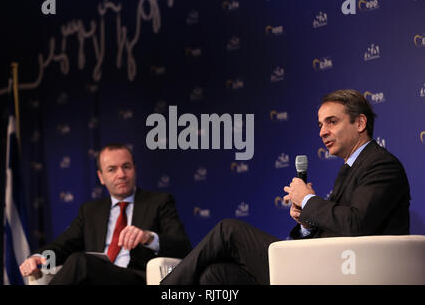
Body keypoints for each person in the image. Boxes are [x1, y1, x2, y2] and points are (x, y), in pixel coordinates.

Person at [161, 89, 411, 285]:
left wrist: (309, 202)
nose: (323, 132)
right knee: (215, 276)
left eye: (332, 122)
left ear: (360, 123)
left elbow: (357, 224)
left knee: (230, 230)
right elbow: (339, 228)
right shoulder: (349, 169)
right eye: (320, 125)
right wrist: (306, 223)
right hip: (326, 263)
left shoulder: (381, 165)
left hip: (347, 272)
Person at [19, 143, 191, 284]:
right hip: (96, 277)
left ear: (134, 169)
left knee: (80, 261)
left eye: (126, 167)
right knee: (78, 264)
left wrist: (149, 237)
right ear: (101, 177)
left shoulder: (159, 202)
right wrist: (38, 257)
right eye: (112, 169)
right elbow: (62, 246)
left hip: (135, 278)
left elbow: (182, 246)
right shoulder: (90, 211)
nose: (121, 174)